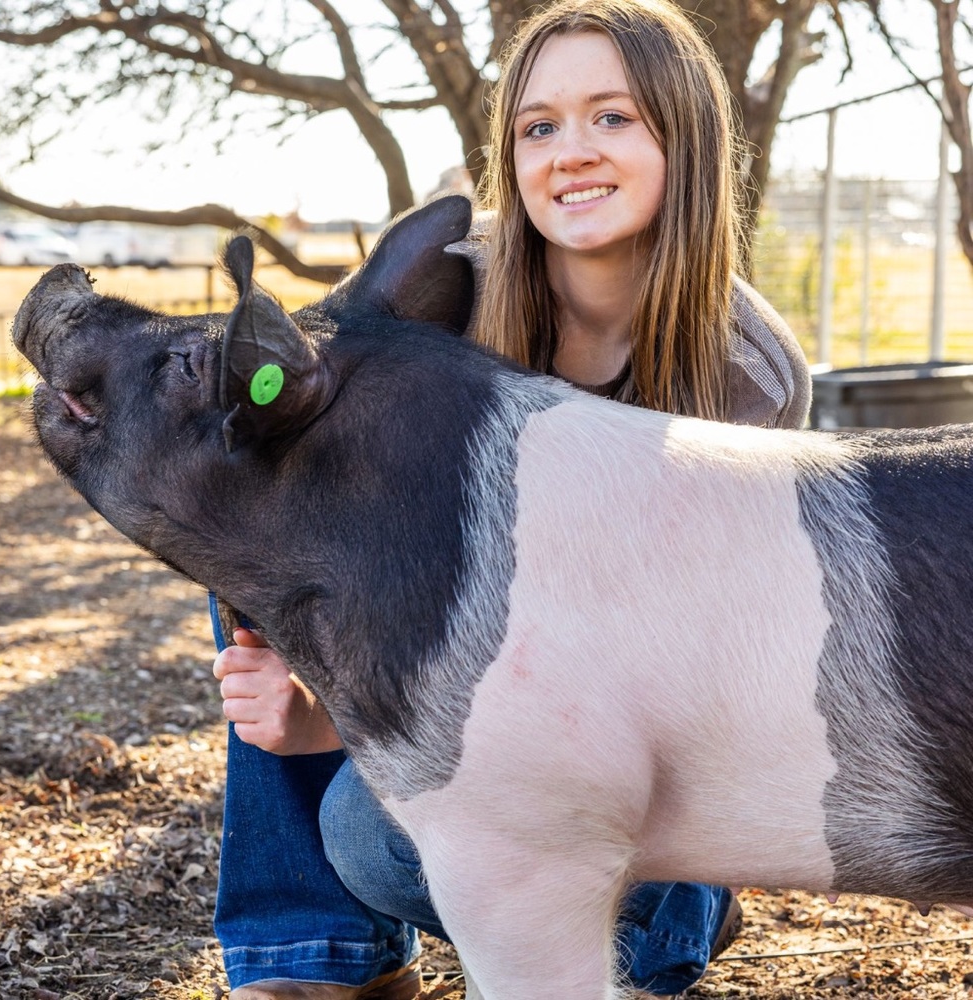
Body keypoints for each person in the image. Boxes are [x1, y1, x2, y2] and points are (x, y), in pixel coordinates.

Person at [210, 1, 812, 997]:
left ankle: (672, 908)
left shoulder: (746, 377)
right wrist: (294, 676)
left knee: (376, 835)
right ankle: (314, 956)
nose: (569, 151)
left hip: (634, 738)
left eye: (611, 118)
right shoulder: (444, 292)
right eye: (539, 126)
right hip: (457, 664)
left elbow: (669, 674)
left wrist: (334, 722)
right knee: (273, 501)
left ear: (686, 140)